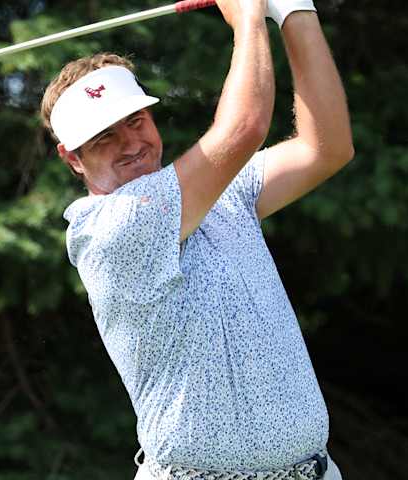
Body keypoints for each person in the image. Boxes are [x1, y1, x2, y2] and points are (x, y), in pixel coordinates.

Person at [39, 0, 353, 478]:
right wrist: (247, 15)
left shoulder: (218, 196)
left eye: (135, 121)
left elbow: (325, 147)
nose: (130, 143)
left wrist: (294, 12)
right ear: (72, 158)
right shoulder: (108, 229)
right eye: (103, 137)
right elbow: (245, 128)